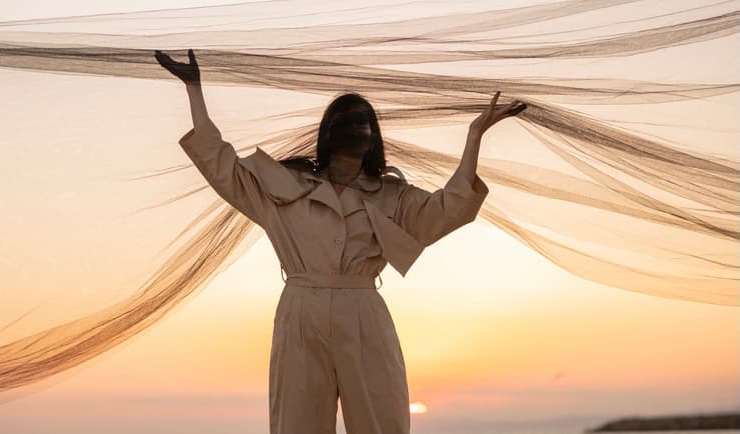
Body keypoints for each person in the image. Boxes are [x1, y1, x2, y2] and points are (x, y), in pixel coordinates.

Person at [155, 48, 526, 434]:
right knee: (296, 423)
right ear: (329, 133)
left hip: (363, 311)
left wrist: (474, 136)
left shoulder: (391, 196)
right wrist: (194, 89)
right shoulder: (286, 185)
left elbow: (449, 209)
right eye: (346, 124)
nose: (354, 133)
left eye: (361, 125)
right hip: (300, 310)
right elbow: (221, 165)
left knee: (381, 422)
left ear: (371, 139)